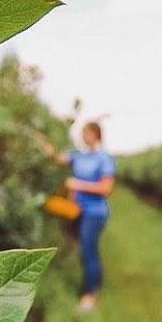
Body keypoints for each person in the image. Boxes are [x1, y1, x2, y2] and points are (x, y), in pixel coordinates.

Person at [40, 122, 116, 311]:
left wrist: (77, 185)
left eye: (86, 134)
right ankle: (93, 285)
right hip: (77, 210)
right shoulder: (79, 155)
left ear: (95, 135)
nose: (83, 137)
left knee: (88, 251)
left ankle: (89, 294)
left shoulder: (104, 158)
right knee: (82, 248)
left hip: (94, 213)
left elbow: (106, 188)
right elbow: (58, 158)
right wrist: (42, 142)